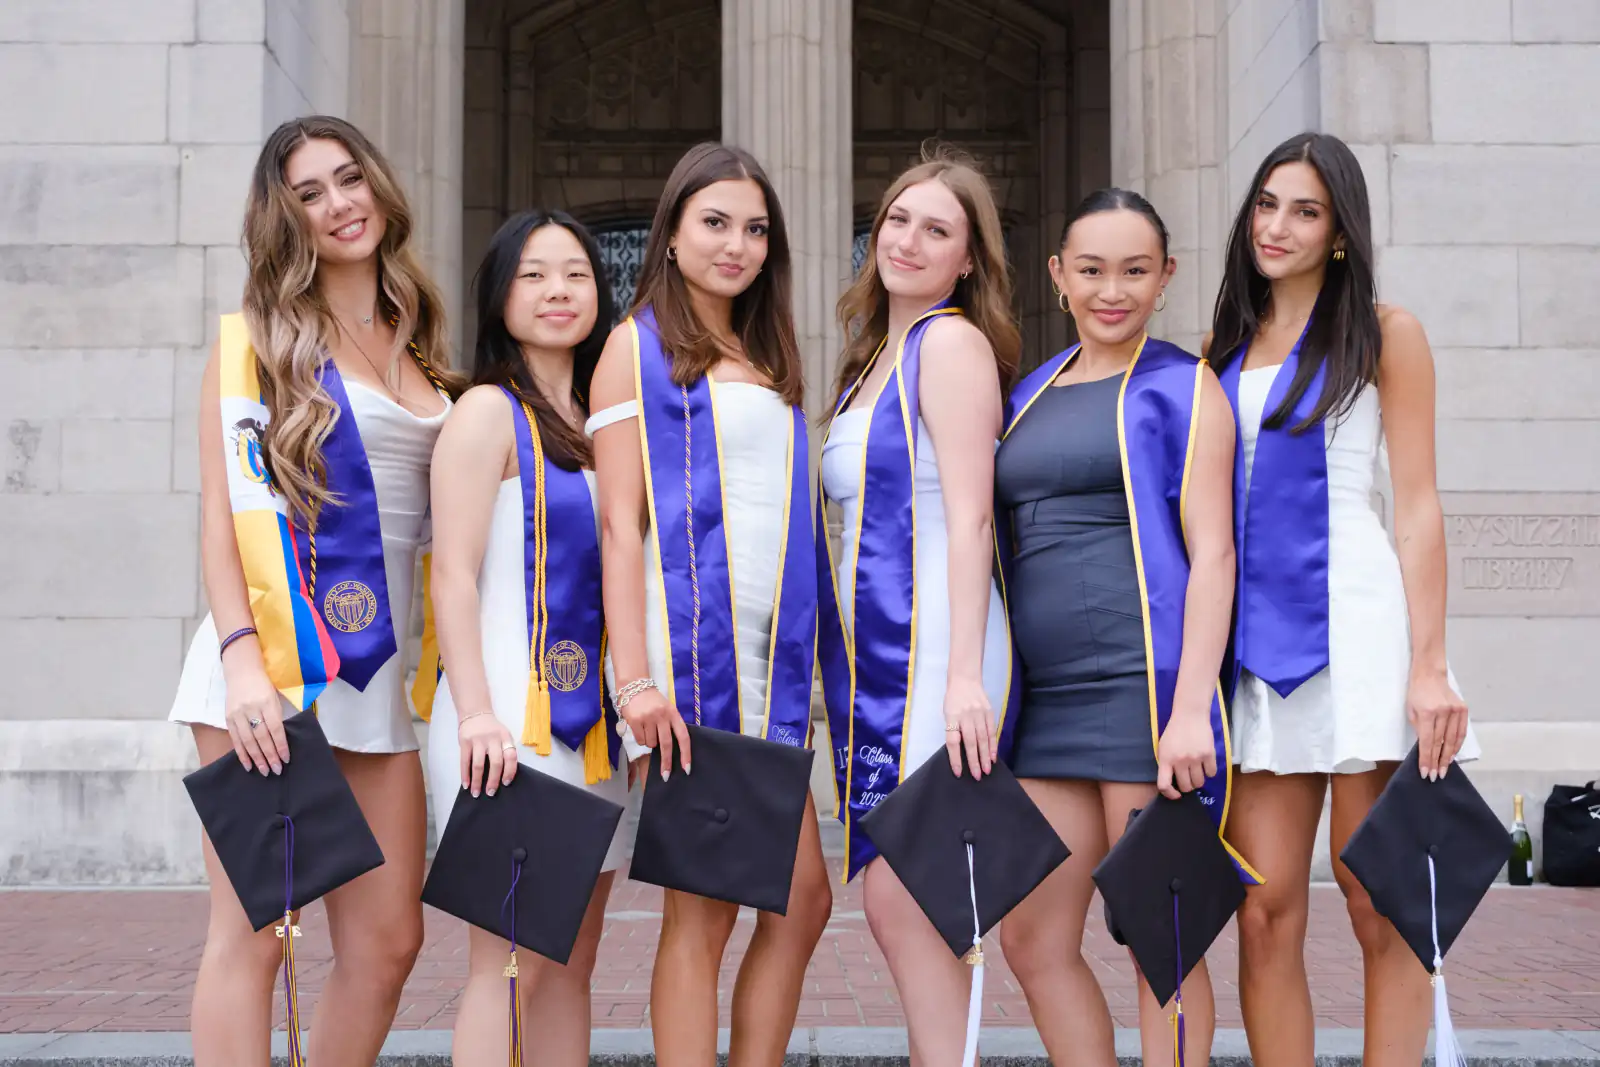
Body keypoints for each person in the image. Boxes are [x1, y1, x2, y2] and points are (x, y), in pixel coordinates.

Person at [167, 115, 455, 1067]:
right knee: (256, 933)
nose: (339, 204)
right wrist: (242, 663)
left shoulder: (422, 335)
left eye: (348, 179)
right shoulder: (256, 340)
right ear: (283, 218)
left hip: (377, 678)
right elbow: (223, 511)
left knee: (386, 943)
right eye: (309, 193)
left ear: (379, 185)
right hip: (270, 672)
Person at [1205, 130, 1478, 1067]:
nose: (1277, 226)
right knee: (1262, 904)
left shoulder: (1384, 330)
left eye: (1305, 210)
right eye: (1267, 204)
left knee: (1380, 896)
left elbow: (1416, 504)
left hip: (1359, 633)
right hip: (1258, 647)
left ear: (1341, 233)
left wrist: (1431, 661)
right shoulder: (1224, 346)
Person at [995, 188, 1256, 1067]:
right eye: (1094, 269)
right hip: (1045, 706)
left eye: (1136, 270)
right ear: (1058, 275)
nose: (1114, 289)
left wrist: (1190, 709)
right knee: (1032, 938)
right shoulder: (1029, 392)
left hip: (1143, 696)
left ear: (1166, 276)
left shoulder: (1184, 387)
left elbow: (1213, 556)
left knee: (1161, 942)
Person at [587, 142, 830, 1067]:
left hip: (768, 670)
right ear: (673, 232)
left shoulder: (763, 352)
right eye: (715, 223)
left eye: (755, 228)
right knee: (705, 911)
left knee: (801, 897)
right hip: (691, 670)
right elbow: (620, 527)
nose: (737, 244)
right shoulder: (632, 349)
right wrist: (637, 680)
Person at [815, 149, 1020, 1067]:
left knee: (915, 894)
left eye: (937, 229)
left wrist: (968, 675)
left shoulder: (950, 344)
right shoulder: (870, 362)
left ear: (968, 260)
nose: (908, 239)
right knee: (906, 899)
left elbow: (973, 515)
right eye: (898, 219)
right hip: (885, 657)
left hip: (944, 649)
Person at [425, 209, 629, 1067]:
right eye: (534, 273)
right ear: (499, 294)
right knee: (509, 963)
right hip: (507, 720)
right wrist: (475, 714)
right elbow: (454, 575)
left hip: (596, 736)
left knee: (571, 963)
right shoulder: (483, 412)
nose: (557, 291)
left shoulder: (610, 419)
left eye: (576, 273)